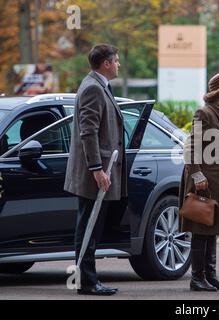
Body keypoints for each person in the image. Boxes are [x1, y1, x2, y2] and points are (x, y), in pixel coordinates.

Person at [64, 44, 125, 296]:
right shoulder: (92, 88)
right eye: (117, 61)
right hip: (94, 175)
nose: (119, 64)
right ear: (106, 63)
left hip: (97, 173)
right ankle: (87, 283)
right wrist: (97, 169)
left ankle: (87, 281)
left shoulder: (97, 85)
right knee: (88, 228)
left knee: (92, 226)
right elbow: (88, 132)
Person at [179, 70, 219, 292]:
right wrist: (197, 175)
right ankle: (197, 278)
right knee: (201, 228)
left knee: (212, 228)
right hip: (203, 180)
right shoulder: (203, 113)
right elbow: (191, 146)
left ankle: (210, 276)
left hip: (216, 179)